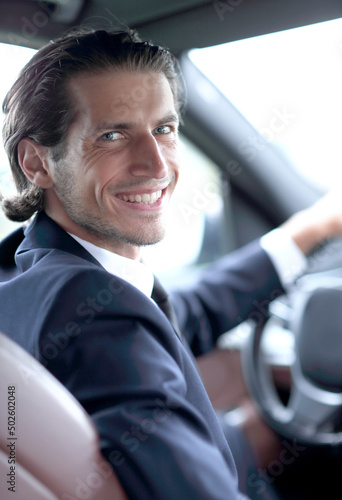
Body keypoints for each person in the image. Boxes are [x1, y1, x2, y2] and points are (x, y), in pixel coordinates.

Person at [1, 28, 342, 499]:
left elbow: (177, 315)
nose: (156, 165)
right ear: (37, 163)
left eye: (163, 129)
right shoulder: (97, 313)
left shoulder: (30, 267)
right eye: (113, 135)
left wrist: (312, 230)